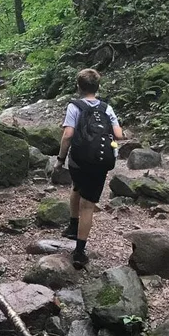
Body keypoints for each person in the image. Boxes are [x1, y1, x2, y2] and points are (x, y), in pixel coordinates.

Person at [57, 68, 124, 270]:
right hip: (99, 161)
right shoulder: (106, 108)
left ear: (78, 86)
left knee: (77, 187)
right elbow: (119, 135)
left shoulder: (74, 106)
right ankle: (79, 252)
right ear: (97, 87)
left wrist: (60, 160)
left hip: (78, 161)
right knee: (88, 204)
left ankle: (72, 226)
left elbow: (68, 135)